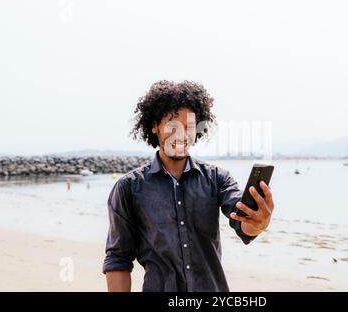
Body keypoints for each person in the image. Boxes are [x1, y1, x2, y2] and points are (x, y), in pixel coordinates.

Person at [102, 80, 275, 292]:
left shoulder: (218, 179)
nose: (182, 135)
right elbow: (118, 258)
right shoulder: (128, 188)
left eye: (189, 127)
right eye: (172, 125)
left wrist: (259, 222)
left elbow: (242, 224)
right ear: (154, 126)